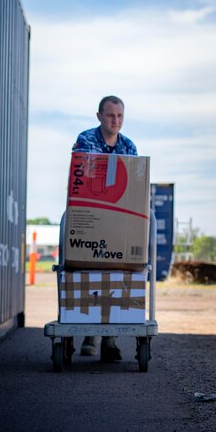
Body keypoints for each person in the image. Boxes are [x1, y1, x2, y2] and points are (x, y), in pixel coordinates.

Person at [71, 95, 138, 361]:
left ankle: (108, 338)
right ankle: (90, 332)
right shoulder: (86, 139)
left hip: (118, 217)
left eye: (120, 116)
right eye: (111, 116)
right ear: (99, 116)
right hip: (91, 214)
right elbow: (86, 177)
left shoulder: (129, 146)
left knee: (117, 273)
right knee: (89, 270)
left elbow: (132, 182)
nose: (116, 121)